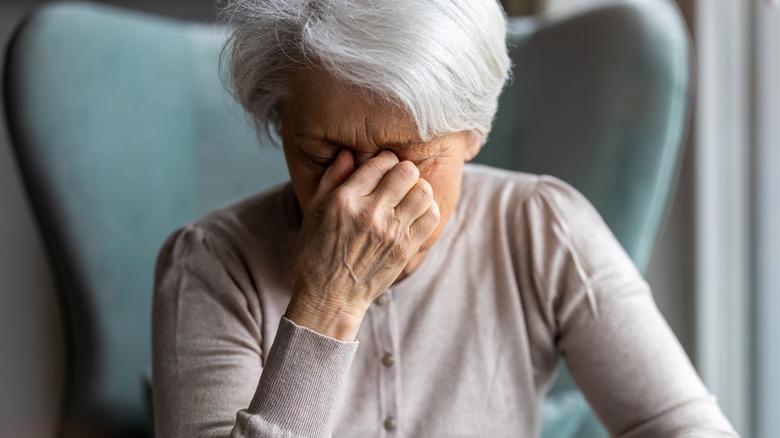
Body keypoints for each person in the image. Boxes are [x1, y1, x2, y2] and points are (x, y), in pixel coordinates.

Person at [152, 0, 737, 436]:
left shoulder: (541, 229)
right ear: (280, 125)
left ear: (474, 132)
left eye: (409, 159)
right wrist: (329, 302)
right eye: (324, 157)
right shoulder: (209, 265)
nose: (365, 200)